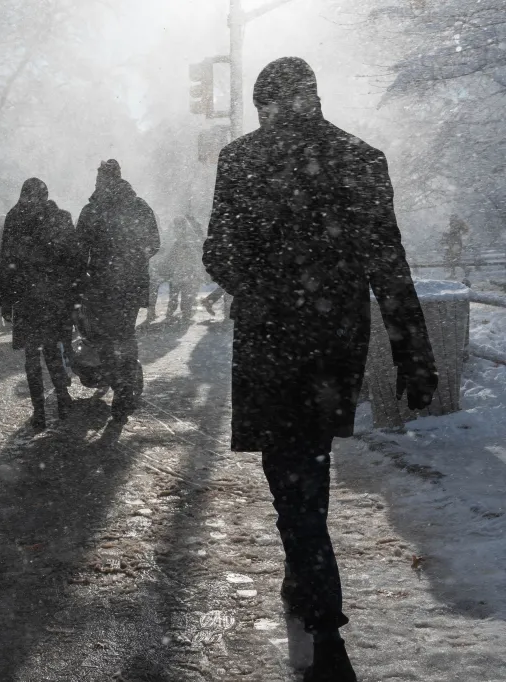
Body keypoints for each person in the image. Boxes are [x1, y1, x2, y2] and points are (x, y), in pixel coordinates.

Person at [203, 57, 438, 682]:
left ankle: (323, 620)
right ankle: (307, 577)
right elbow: (389, 265)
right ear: (313, 95)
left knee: (293, 483)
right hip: (334, 346)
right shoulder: (361, 157)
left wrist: (261, 288)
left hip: (271, 344)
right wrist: (414, 357)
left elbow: (216, 252)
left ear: (264, 104)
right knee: (310, 466)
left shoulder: (241, 159)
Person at [76, 159, 160, 425]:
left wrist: (93, 269)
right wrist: (132, 261)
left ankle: (116, 381)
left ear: (102, 180)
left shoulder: (92, 210)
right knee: (124, 334)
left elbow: (79, 250)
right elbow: (154, 243)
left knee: (104, 337)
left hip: (101, 287)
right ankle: (125, 387)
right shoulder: (139, 206)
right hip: (129, 287)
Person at [0, 178, 78, 430]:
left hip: (25, 298)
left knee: (32, 355)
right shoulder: (60, 218)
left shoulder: (14, 220)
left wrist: (5, 301)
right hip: (55, 297)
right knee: (54, 349)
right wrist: (74, 294)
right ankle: (63, 398)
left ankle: (39, 411)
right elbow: (73, 259)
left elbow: (6, 262)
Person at [163, 215, 202, 322]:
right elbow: (194, 254)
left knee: (176, 293)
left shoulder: (177, 240)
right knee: (184, 294)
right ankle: (184, 314)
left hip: (180, 271)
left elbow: (170, 257)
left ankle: (172, 313)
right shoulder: (189, 239)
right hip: (185, 271)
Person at [442, 213, 469, 280]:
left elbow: (465, 230)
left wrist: (456, 234)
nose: (451, 219)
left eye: (452, 218)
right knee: (451, 259)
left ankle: (464, 269)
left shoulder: (459, 223)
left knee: (454, 259)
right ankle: (454, 273)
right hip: (452, 243)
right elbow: (452, 233)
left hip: (456, 243)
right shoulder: (453, 224)